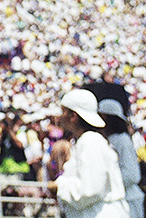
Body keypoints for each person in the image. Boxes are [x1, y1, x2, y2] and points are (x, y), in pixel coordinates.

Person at [47, 89, 129, 218]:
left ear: (73, 116)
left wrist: (59, 187)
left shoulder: (90, 141)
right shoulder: (85, 141)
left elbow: (90, 190)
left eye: (63, 111)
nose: (60, 117)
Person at [98, 99, 146, 218]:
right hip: (117, 200)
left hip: (128, 200)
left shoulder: (122, 140)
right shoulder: (109, 139)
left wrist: (105, 184)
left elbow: (132, 174)